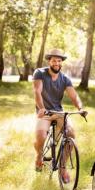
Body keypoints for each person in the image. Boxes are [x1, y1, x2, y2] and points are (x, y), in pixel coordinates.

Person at [33, 48, 85, 182]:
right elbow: (37, 92)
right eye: (54, 60)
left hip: (58, 112)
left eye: (59, 60)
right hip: (44, 112)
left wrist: (80, 107)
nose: (57, 63)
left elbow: (74, 96)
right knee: (41, 136)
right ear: (49, 61)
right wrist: (41, 108)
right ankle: (39, 156)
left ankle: (62, 167)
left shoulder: (65, 78)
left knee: (71, 134)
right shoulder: (39, 73)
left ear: (62, 63)